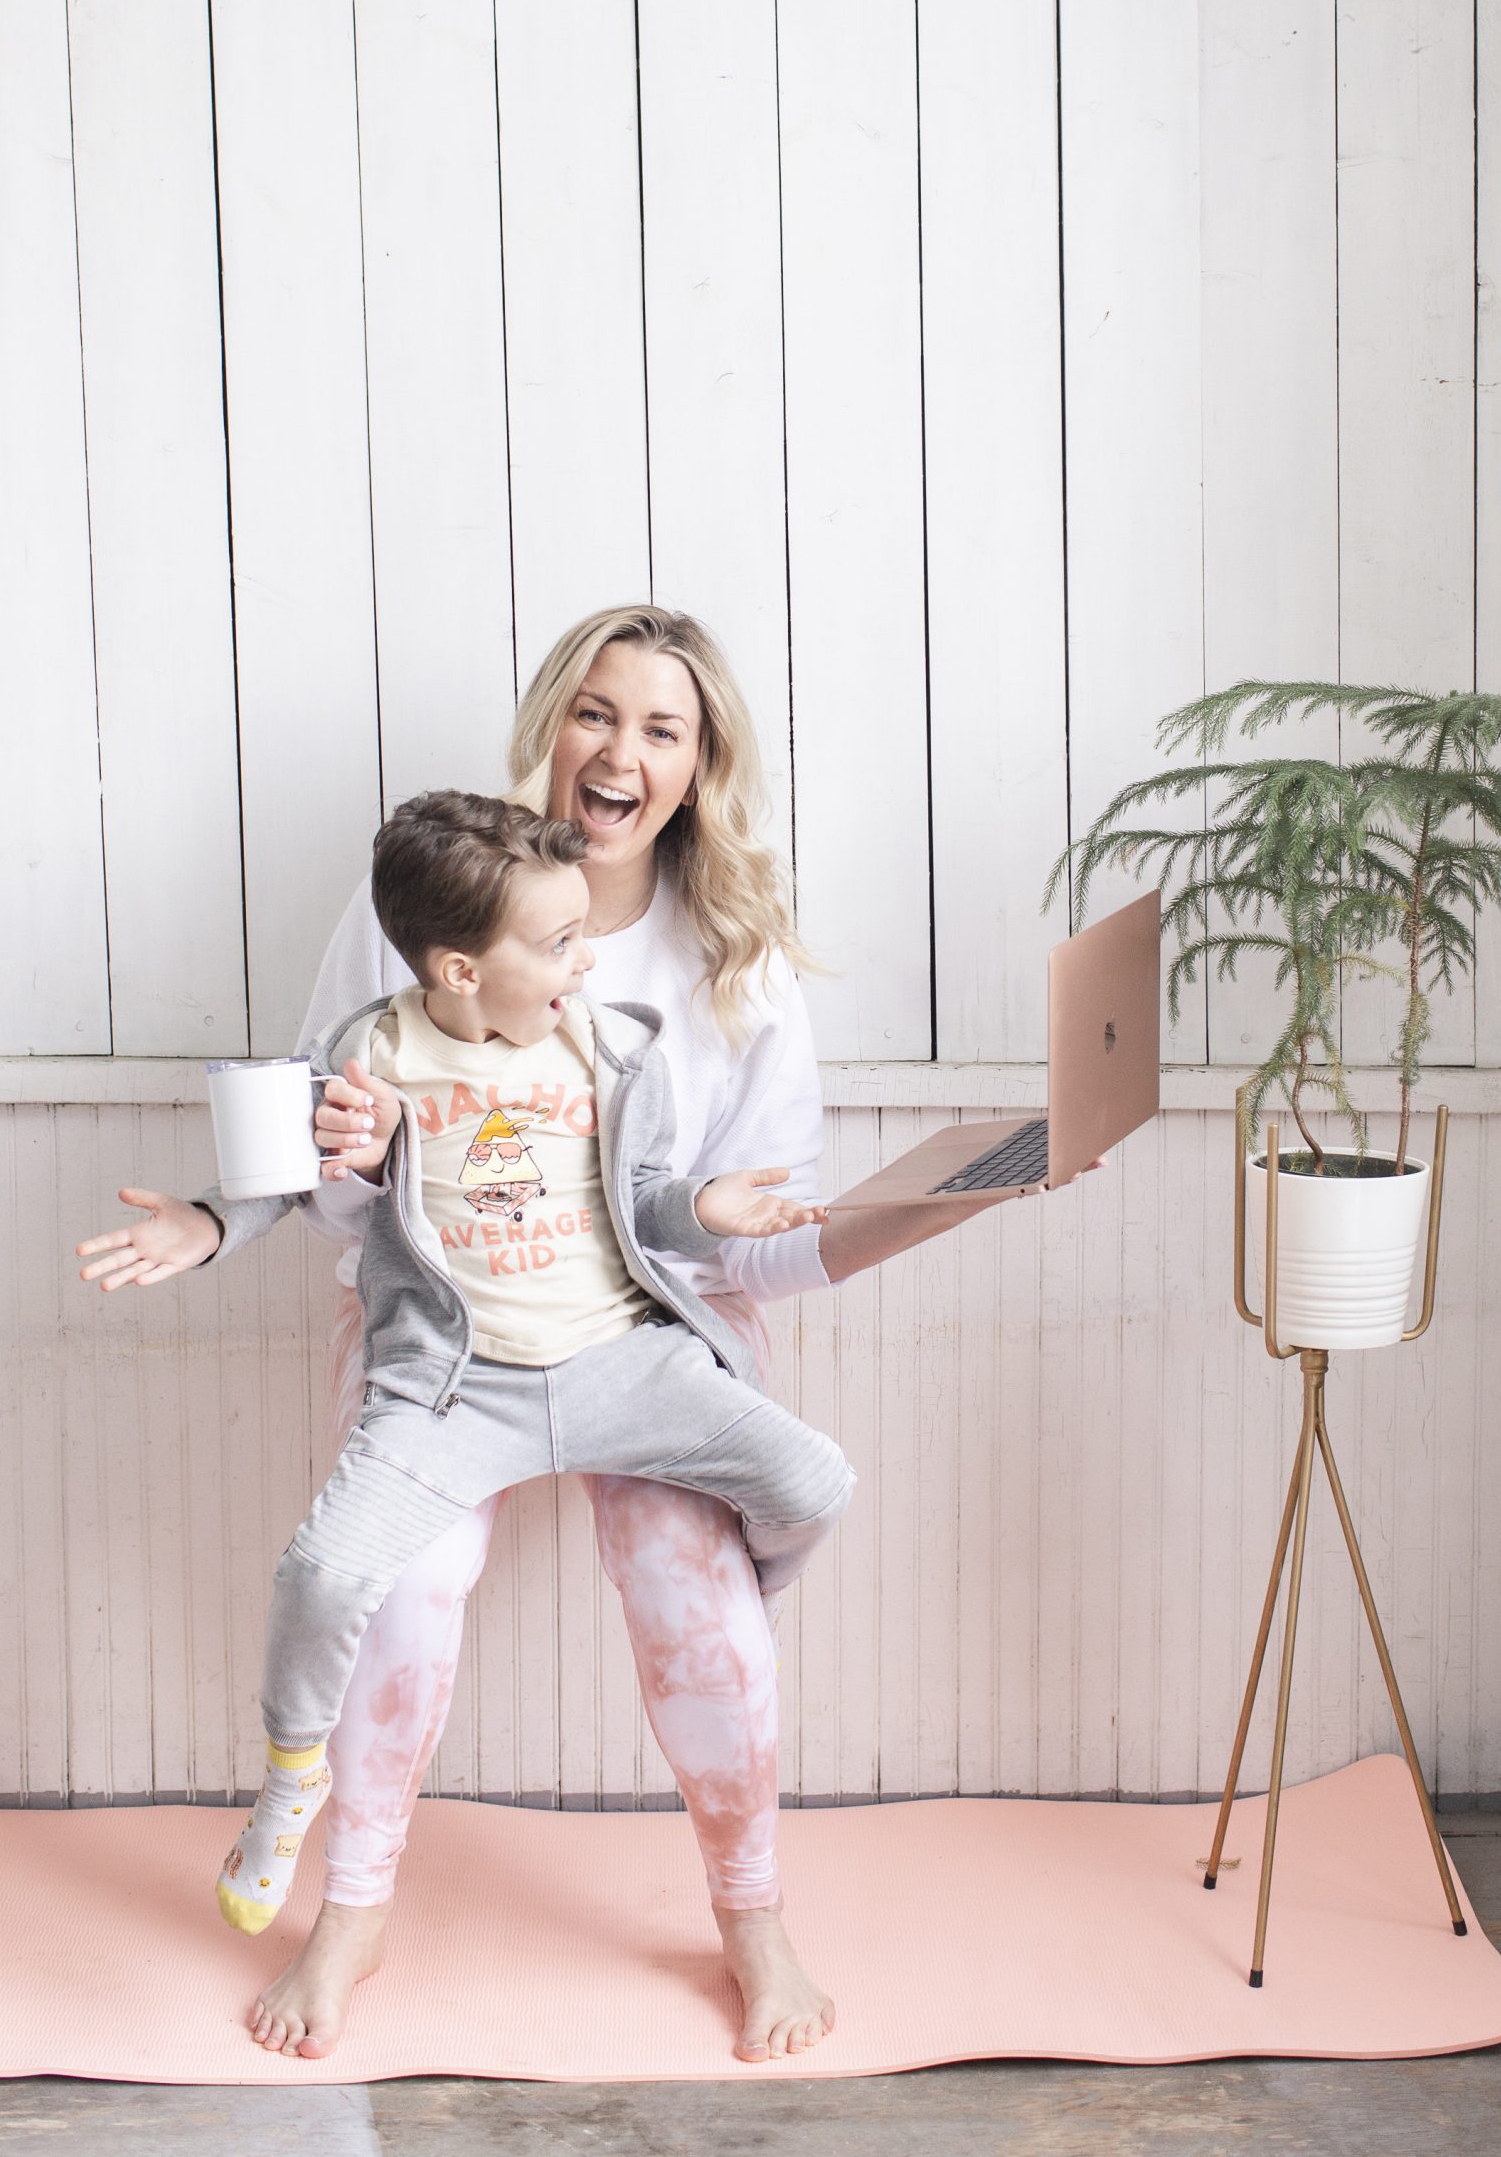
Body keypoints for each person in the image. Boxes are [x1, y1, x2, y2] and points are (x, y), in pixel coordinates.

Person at [78, 605, 1001, 2062]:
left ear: (699, 770)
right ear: (548, 727)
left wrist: (899, 1211)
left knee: (704, 1612)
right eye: (593, 711)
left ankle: (753, 1919)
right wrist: (254, 1202)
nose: (618, 751)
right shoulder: (445, 900)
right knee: (399, 1584)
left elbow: (740, 1237)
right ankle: (350, 1912)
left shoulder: (732, 963)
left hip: (644, 1335)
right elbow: (321, 1164)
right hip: (447, 1348)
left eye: (661, 728)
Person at [79, 788, 851, 1949]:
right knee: (326, 1577)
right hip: (457, 1386)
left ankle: (758, 1609)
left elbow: (635, 1200)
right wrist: (203, 1219)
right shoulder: (374, 1055)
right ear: (454, 971)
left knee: (816, 1482)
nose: (585, 962)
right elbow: (292, 1173)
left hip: (618, 1363)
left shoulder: (606, 1038)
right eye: (555, 944)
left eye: (582, 935)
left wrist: (706, 1203)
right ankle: (290, 1789)